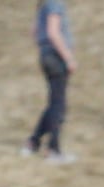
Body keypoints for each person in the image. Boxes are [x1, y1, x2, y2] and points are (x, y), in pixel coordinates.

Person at [23, 1, 77, 164]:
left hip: (46, 56)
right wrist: (68, 58)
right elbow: (53, 33)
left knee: (54, 104)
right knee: (58, 105)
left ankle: (33, 142)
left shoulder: (43, 4)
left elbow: (34, 31)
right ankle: (53, 149)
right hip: (56, 58)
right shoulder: (55, 3)